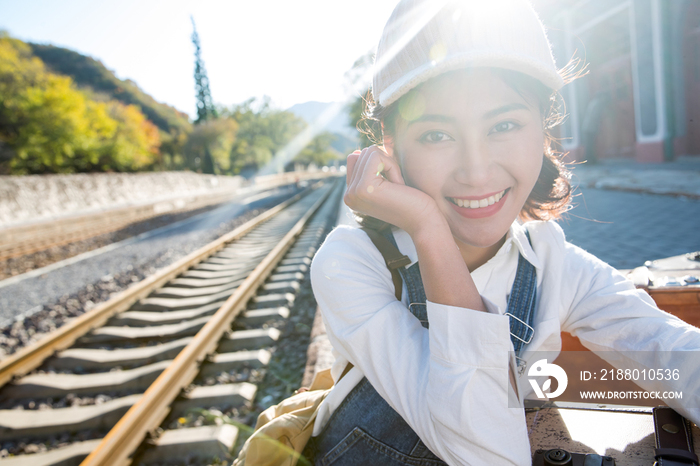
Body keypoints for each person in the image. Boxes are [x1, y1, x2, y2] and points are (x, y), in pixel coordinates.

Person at [305, 0, 700, 464]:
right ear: (390, 147)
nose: (476, 172)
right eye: (437, 135)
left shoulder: (551, 263)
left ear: (546, 132)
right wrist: (429, 231)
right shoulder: (353, 262)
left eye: (505, 125)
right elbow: (488, 450)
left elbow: (669, 352)